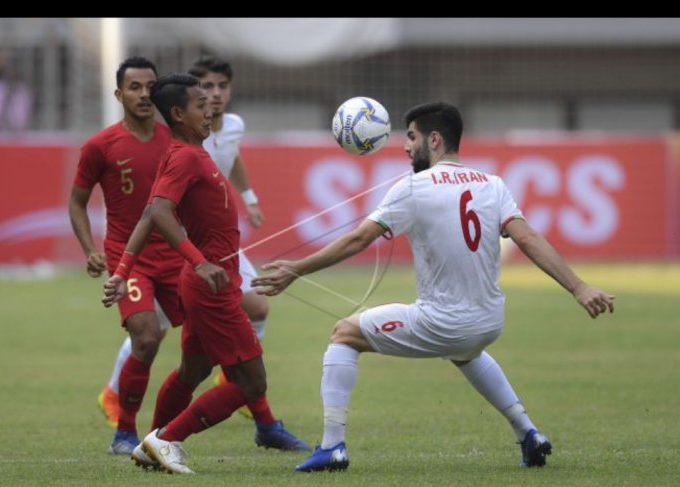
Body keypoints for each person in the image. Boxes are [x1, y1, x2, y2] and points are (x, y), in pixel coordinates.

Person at [252, 101, 615, 472]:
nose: (405, 147)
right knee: (464, 352)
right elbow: (529, 239)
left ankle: (332, 448)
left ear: (435, 139)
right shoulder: (493, 184)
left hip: (443, 323)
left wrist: (296, 268)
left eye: (411, 137)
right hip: (489, 323)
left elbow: (358, 240)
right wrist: (579, 288)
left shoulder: (413, 187)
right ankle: (529, 434)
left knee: (344, 333)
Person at [102, 73, 308, 475]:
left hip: (206, 283)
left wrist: (122, 270)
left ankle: (152, 441)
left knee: (192, 371)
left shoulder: (186, 152)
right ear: (178, 113)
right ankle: (167, 440)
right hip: (209, 286)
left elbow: (149, 211)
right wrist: (199, 261)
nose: (209, 107)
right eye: (200, 103)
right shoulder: (186, 157)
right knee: (252, 384)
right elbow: (159, 212)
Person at [69, 56, 183, 455]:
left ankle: (257, 417)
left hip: (174, 255)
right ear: (119, 94)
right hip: (127, 259)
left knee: (207, 342)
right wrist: (89, 250)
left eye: (150, 86)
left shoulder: (175, 140)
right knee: (147, 337)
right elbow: (77, 203)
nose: (144, 94)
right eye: (134, 87)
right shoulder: (100, 146)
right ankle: (125, 431)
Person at [189, 54, 268, 415]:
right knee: (152, 331)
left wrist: (249, 199)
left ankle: (238, 384)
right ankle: (114, 394)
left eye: (222, 86)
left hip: (222, 240)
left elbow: (232, 157)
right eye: (207, 86)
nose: (216, 93)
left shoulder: (234, 125)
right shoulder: (186, 132)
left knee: (259, 307)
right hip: (188, 242)